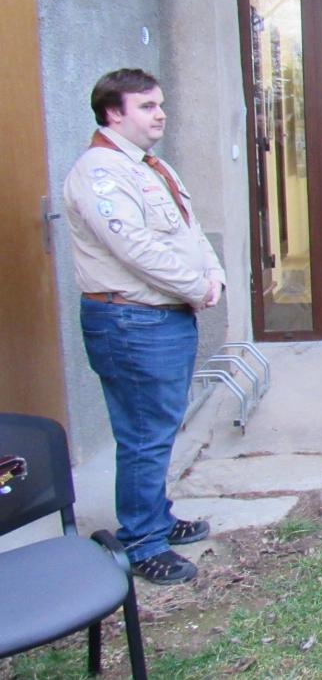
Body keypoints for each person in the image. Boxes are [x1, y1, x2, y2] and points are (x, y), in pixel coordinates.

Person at [64, 68, 224, 585]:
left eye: (160, 104)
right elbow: (134, 248)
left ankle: (155, 516)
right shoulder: (99, 171)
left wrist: (214, 274)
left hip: (162, 316)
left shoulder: (151, 166)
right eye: (147, 106)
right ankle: (142, 541)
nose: (161, 115)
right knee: (143, 435)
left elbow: (188, 231)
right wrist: (196, 286)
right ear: (114, 113)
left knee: (158, 428)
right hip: (131, 321)